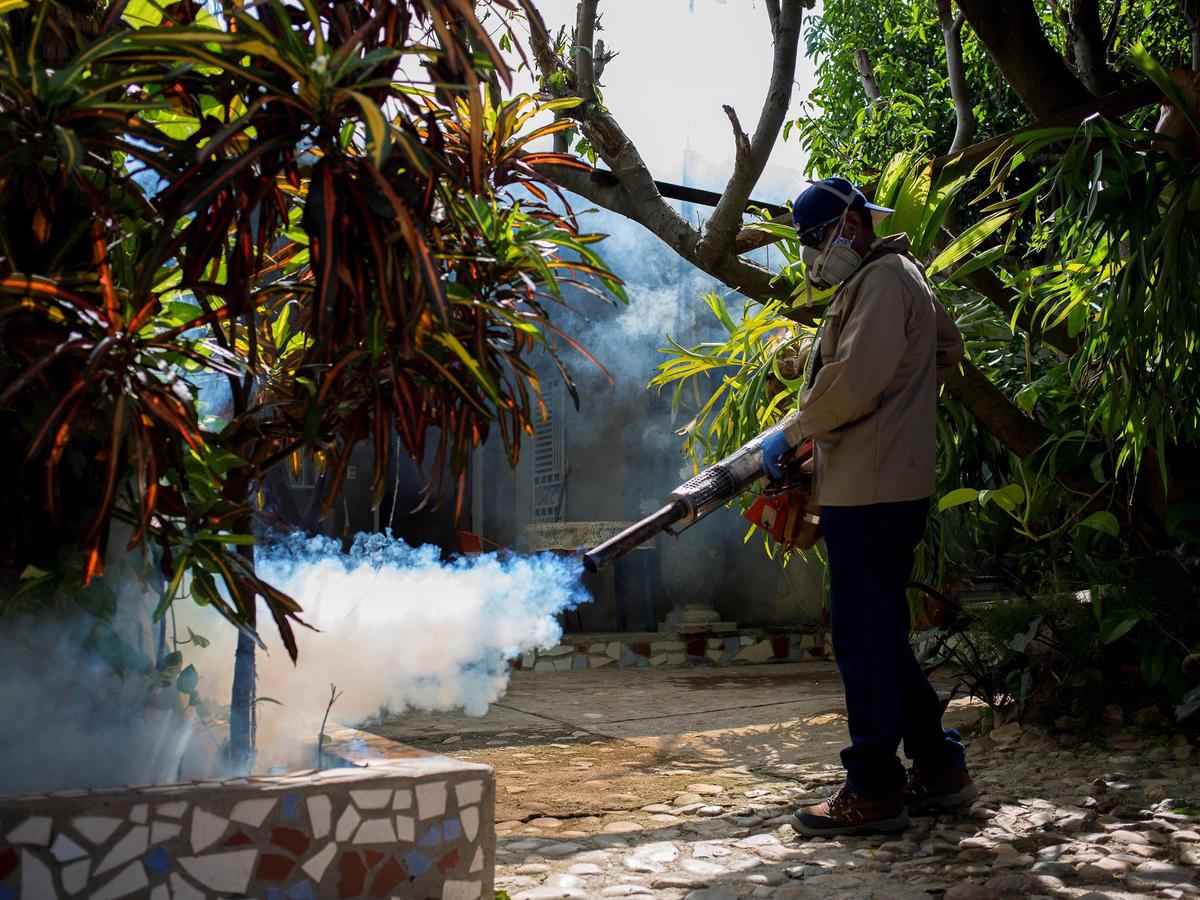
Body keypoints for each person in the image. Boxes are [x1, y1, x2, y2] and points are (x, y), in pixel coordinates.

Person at [761, 177, 973, 837]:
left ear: (851, 224)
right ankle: (939, 768)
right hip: (875, 480)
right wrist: (831, 445)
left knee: (863, 640)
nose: (812, 257)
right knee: (881, 635)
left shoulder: (883, 281)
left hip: (875, 492)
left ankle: (874, 789)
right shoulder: (890, 278)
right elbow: (939, 353)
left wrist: (796, 430)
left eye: (816, 240)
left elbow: (853, 382)